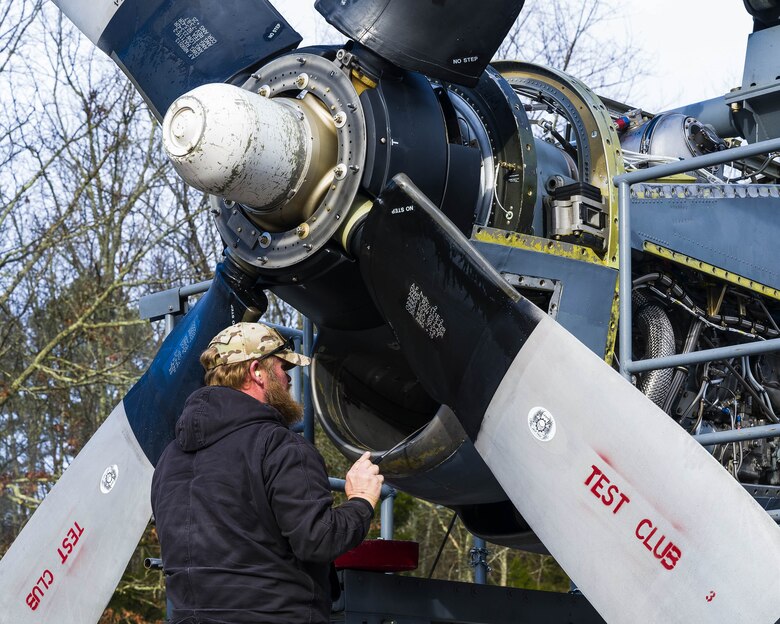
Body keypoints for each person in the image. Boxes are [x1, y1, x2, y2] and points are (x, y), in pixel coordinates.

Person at [151, 322, 383, 624]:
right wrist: (361, 501)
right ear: (257, 371)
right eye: (281, 366)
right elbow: (319, 539)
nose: (287, 378)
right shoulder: (279, 446)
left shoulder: (168, 459)